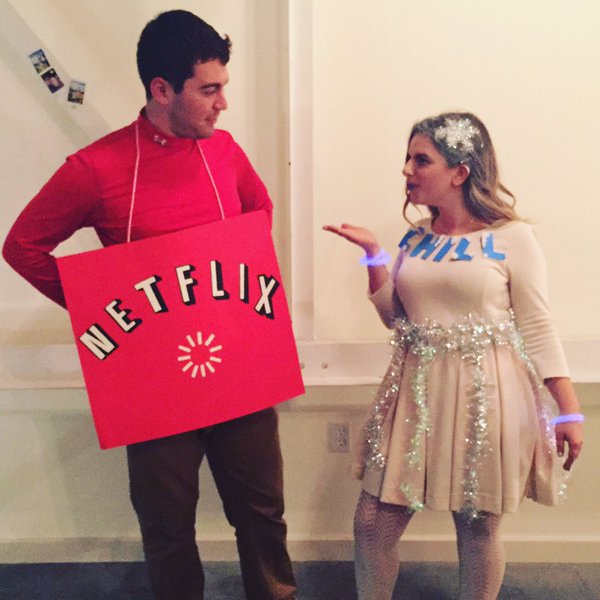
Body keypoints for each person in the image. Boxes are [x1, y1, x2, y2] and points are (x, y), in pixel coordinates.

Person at [3, 10, 296, 600]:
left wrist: (231, 282)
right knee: (167, 528)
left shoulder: (225, 151)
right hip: (154, 379)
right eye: (208, 90)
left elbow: (259, 213)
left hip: (236, 364)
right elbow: (22, 247)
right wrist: (101, 305)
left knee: (263, 514)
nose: (222, 104)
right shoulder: (95, 168)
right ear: (161, 89)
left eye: (223, 87)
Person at [324, 111, 583, 600]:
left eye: (421, 160)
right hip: (415, 394)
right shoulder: (416, 237)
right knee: (373, 521)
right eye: (407, 158)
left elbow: (538, 326)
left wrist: (568, 410)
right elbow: (396, 317)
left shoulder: (512, 237)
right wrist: (374, 256)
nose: (407, 170)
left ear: (460, 172)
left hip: (489, 395)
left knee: (478, 525)